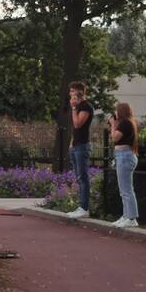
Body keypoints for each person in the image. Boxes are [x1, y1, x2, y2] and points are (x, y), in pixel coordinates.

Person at [109, 102, 139, 228]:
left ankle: (131, 218)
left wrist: (112, 125)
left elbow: (114, 137)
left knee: (126, 190)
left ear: (121, 111)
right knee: (124, 190)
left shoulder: (126, 123)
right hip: (123, 155)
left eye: (116, 110)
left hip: (125, 156)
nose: (115, 113)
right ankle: (126, 215)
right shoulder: (126, 123)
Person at [66, 81, 94, 219]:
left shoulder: (85, 107)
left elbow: (78, 124)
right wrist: (71, 144)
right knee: (78, 177)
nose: (70, 94)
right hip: (76, 146)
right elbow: (75, 131)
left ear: (78, 92)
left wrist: (73, 108)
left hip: (82, 146)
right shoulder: (78, 107)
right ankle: (81, 206)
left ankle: (84, 208)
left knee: (83, 178)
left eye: (72, 91)